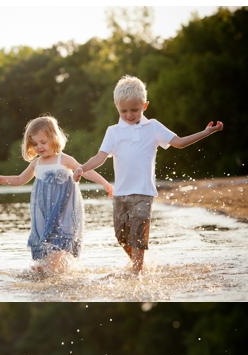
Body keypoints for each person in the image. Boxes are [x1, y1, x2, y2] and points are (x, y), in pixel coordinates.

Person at [73, 75, 224, 275]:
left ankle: (137, 271)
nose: (129, 115)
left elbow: (178, 142)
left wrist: (206, 132)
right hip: (121, 194)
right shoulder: (113, 131)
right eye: (123, 110)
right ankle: (138, 266)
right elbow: (100, 157)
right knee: (121, 236)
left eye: (134, 110)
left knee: (137, 235)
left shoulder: (153, 127)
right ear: (117, 106)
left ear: (144, 106)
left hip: (144, 193)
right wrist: (82, 168)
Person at [0, 115, 113, 273]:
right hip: (45, 211)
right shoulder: (36, 163)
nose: (39, 147)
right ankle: (52, 268)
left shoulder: (63, 159)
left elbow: (85, 171)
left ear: (54, 139)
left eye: (43, 142)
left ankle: (48, 268)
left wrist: (104, 183)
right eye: (34, 143)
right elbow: (20, 179)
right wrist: (0, 179)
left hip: (64, 209)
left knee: (59, 236)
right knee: (48, 239)